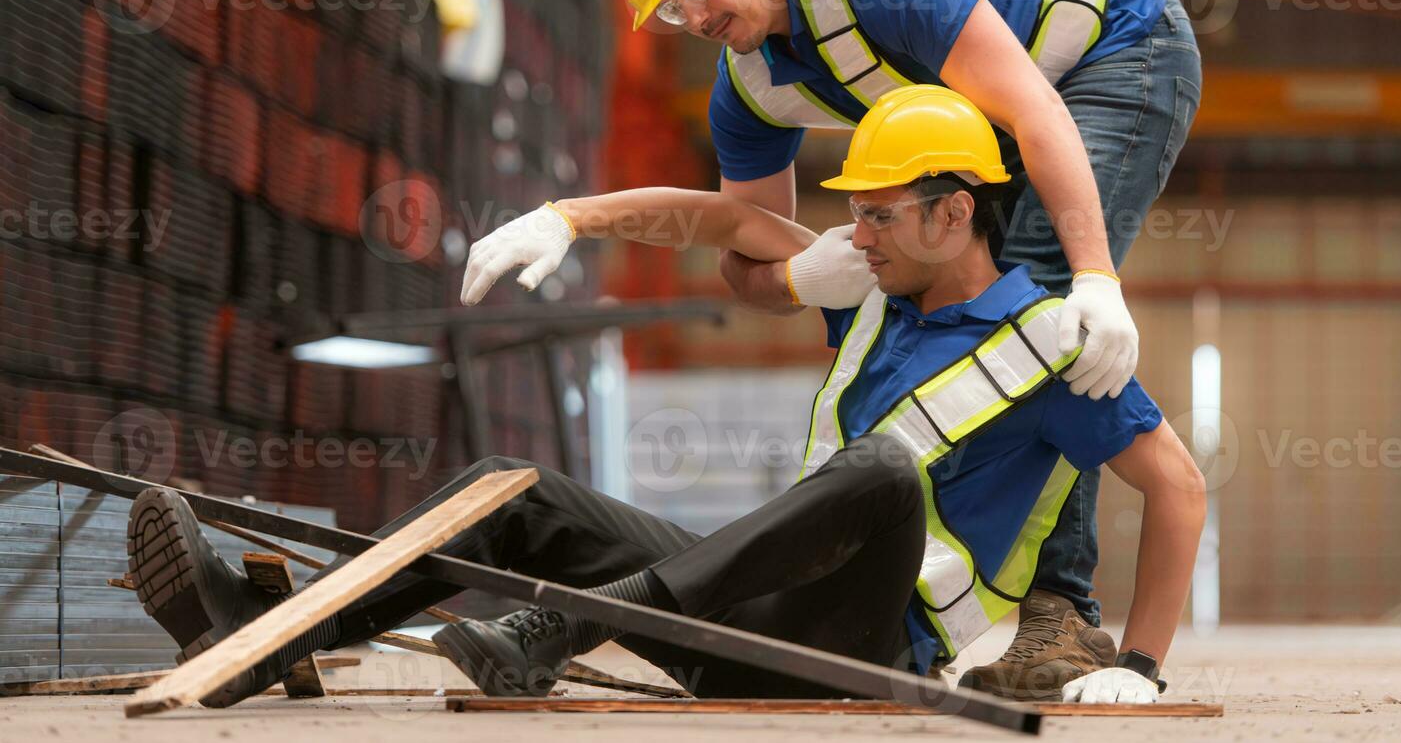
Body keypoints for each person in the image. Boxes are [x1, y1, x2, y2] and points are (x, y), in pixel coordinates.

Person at [131, 88, 1204, 707]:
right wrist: (571, 218)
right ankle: (263, 626)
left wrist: (1144, 668)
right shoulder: (875, 292)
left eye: (878, 214)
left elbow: (1179, 489)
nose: (855, 233)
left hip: (861, 653)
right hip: (749, 621)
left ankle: (559, 630)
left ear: (954, 211)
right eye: (856, 213)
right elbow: (717, 219)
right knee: (519, 492)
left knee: (881, 471)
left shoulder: (1052, 346)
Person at [599, 0, 1204, 690]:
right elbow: (743, 246)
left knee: (1041, 315)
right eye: (673, 8)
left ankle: (1061, 614)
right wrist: (799, 275)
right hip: (1012, 101)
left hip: (1117, 51)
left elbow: (1035, 112)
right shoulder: (748, 87)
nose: (697, 16)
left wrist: (1094, 277)